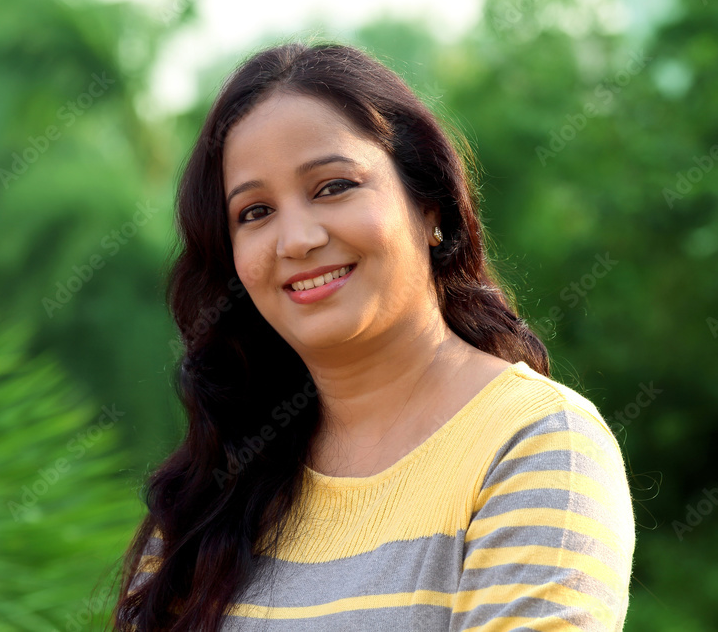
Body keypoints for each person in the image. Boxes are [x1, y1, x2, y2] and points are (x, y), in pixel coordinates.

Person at [112, 40, 636, 632]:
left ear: (430, 205)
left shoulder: (537, 445)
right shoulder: (210, 492)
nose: (297, 240)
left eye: (332, 187)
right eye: (255, 212)